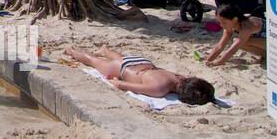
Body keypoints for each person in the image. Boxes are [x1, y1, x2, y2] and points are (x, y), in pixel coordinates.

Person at [66, 46, 215, 104]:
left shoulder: (180, 77)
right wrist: (115, 80)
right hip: (125, 68)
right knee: (93, 61)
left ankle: (106, 51)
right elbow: (122, 85)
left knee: (120, 59)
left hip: (143, 62)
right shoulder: (159, 89)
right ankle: (72, 51)